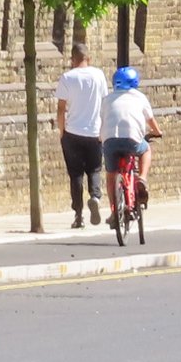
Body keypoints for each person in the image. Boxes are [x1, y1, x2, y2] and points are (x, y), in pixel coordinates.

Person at [100, 66, 161, 227]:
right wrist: (157, 131)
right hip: (133, 140)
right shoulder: (139, 97)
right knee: (146, 149)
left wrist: (101, 138)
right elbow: (151, 120)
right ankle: (142, 178)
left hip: (110, 140)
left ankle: (114, 212)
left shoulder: (107, 99)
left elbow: (102, 120)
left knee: (111, 176)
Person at [55, 43, 108, 228]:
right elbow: (104, 104)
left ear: (72, 59)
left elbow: (61, 109)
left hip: (72, 133)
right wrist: (103, 131)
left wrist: (61, 131)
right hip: (94, 132)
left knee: (76, 175)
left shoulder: (67, 78)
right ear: (89, 59)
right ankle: (95, 197)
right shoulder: (99, 75)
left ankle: (78, 216)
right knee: (94, 169)